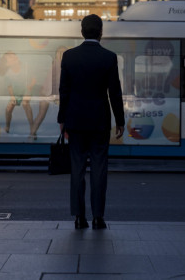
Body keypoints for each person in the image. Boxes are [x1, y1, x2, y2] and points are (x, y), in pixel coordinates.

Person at [57, 14, 125, 230]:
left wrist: (62, 118)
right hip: (100, 121)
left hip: (75, 121)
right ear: (101, 32)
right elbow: (115, 92)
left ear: (82, 31)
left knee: (77, 169)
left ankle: (79, 217)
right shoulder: (109, 57)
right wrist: (120, 120)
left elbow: (64, 91)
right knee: (99, 169)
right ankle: (98, 217)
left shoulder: (69, 57)